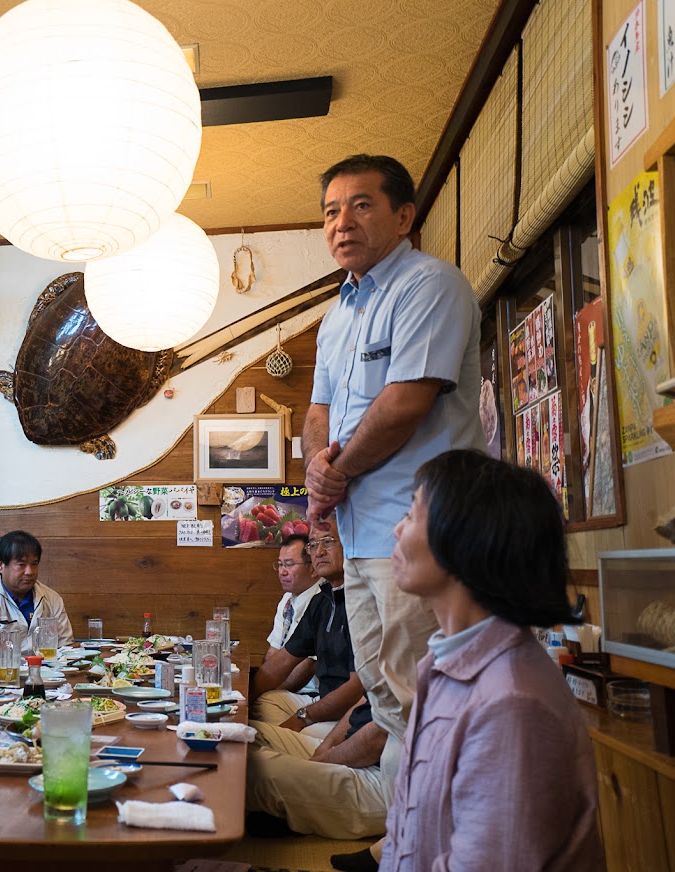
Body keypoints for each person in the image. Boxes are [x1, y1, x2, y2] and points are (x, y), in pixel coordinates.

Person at [303, 154, 484, 749]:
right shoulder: (336, 317)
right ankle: (395, 837)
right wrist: (315, 469)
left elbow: (406, 403)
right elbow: (318, 412)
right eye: (331, 212)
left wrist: (334, 475)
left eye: (361, 206)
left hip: (421, 535)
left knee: (424, 697)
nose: (342, 223)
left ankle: (420, 841)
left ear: (403, 216)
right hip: (357, 538)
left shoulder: (431, 284)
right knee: (384, 698)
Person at [378, 450, 601, 871]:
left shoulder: (511, 703)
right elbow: (402, 832)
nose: (397, 528)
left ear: (463, 538)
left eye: (412, 513)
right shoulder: (443, 663)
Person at [246, 518, 389, 840]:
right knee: (242, 735)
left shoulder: (371, 606)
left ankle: (294, 813)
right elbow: (367, 701)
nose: (318, 552)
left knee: (247, 766)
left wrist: (317, 747)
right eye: (314, 545)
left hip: (384, 780)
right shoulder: (324, 597)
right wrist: (234, 700)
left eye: (329, 542)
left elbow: (374, 726)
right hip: (347, 737)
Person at [0, 530, 72, 657]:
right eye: (21, 565)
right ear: (1, 566)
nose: (29, 572)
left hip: (46, 675)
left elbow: (66, 648)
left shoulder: (52, 598)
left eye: (34, 564)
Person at [255, 532, 322, 720]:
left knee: (258, 709)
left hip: (309, 694)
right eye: (280, 564)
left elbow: (308, 667)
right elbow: (273, 653)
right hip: (285, 692)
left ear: (313, 568)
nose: (282, 571)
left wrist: (266, 692)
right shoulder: (287, 599)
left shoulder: (320, 600)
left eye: (289, 565)